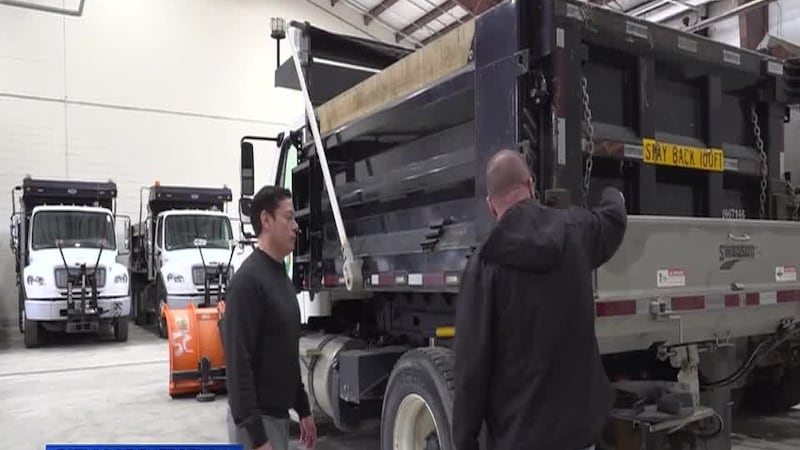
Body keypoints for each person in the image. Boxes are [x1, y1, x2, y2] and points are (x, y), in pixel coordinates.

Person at [451, 149, 628, 450]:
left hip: (519, 438)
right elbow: (614, 219)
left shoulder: (483, 265)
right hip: (579, 437)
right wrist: (612, 192)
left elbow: (471, 367)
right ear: (531, 185)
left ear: (491, 206)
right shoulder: (575, 231)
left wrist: (465, 440)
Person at [222, 185, 317, 450]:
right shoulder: (247, 283)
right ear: (266, 220)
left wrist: (303, 408)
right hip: (256, 425)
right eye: (288, 217)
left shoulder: (279, 278)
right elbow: (238, 365)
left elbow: (285, 351)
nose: (296, 226)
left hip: (277, 417)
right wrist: (257, 437)